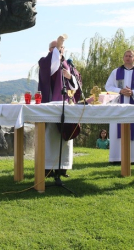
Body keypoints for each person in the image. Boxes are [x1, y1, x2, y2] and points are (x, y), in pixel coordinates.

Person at [38, 35, 79, 177]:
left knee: (64, 139)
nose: (60, 50)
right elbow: (53, 65)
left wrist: (70, 77)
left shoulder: (68, 64)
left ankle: (62, 168)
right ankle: (48, 168)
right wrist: (58, 45)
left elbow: (76, 83)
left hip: (67, 104)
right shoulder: (45, 61)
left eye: (61, 48)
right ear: (51, 50)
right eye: (57, 48)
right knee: (51, 137)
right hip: (51, 104)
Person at [105, 49, 134, 165]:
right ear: (123, 58)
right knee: (117, 130)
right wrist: (120, 91)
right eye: (126, 56)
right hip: (119, 105)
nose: (128, 57)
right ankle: (117, 158)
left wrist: (133, 93)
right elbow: (108, 87)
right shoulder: (116, 72)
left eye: (130, 56)